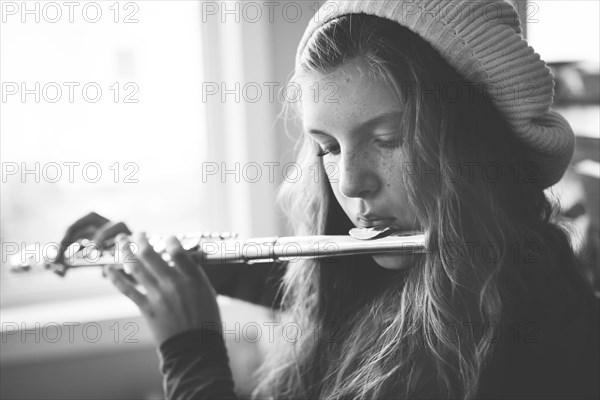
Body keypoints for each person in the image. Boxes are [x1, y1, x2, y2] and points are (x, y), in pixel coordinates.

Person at [58, 1, 599, 399]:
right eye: (328, 148)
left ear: (474, 149)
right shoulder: (412, 264)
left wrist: (188, 348)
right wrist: (164, 263)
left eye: (387, 141)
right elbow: (330, 295)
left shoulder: (522, 332)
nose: (350, 183)